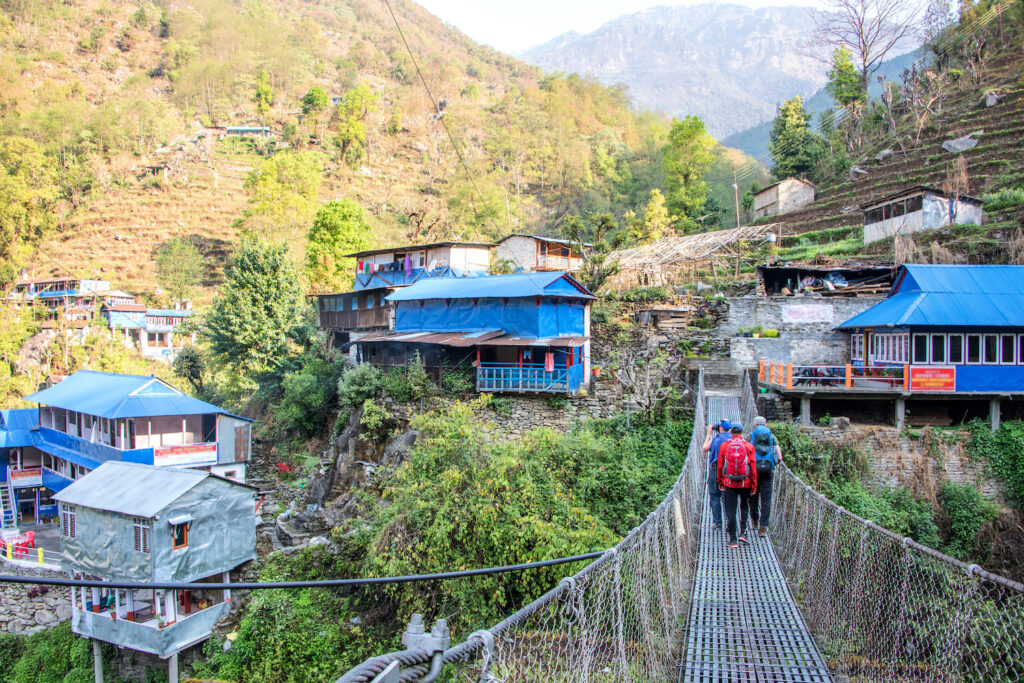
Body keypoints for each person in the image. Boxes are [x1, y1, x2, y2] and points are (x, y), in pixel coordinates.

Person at [717, 422, 757, 548]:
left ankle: (733, 540)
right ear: (741, 432)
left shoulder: (724, 446)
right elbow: (753, 469)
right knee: (744, 507)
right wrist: (754, 486)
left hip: (729, 483)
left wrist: (720, 481)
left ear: (730, 432)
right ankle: (743, 534)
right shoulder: (749, 446)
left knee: (731, 510)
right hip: (745, 483)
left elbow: (719, 466)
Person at [748, 415, 782, 538]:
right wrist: (772, 465)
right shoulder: (772, 437)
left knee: (753, 496)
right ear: (765, 424)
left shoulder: (752, 436)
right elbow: (779, 457)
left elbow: (748, 452)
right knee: (766, 499)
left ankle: (754, 520)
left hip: (754, 470)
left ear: (755, 425)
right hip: (768, 470)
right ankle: (763, 527)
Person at [701, 419, 732, 530]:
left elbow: (704, 448)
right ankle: (729, 520)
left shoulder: (716, 439)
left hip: (715, 470)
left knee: (714, 495)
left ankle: (717, 522)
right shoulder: (733, 439)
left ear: (721, 428)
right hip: (729, 472)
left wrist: (709, 434)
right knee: (726, 497)